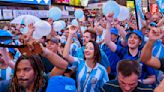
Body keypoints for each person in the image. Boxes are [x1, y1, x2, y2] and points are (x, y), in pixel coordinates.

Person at [104, 14, 156, 85]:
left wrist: (140, 82)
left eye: (135, 38)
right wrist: (109, 23)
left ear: (140, 42)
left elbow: (152, 78)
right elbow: (108, 42)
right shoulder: (123, 52)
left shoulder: (144, 57)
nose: (132, 39)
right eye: (130, 37)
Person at [63, 25, 109, 92]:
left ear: (96, 52)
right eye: (86, 48)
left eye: (91, 48)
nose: (87, 50)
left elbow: (105, 88)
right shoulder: (79, 61)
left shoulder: (102, 69)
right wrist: (70, 34)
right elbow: (66, 55)